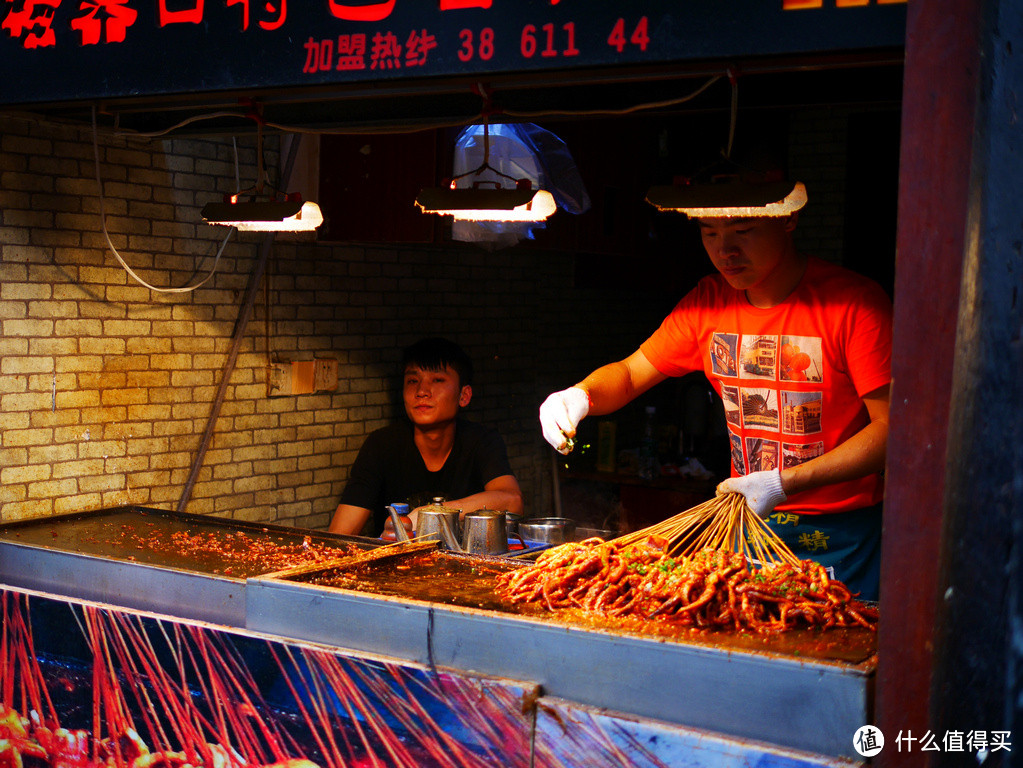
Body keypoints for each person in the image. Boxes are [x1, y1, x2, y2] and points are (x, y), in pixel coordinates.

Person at [538, 175, 892, 600]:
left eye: (742, 231)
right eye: (709, 233)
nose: (725, 250)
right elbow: (631, 374)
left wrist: (785, 482)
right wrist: (580, 395)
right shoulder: (708, 303)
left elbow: (893, 430)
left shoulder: (854, 304)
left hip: (842, 534)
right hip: (749, 527)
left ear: (789, 219)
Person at [329, 337, 523, 538]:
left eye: (437, 380)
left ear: (464, 396)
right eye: (413, 381)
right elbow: (339, 534)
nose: (421, 392)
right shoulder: (382, 445)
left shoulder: (481, 441)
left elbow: (512, 500)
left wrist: (429, 514)